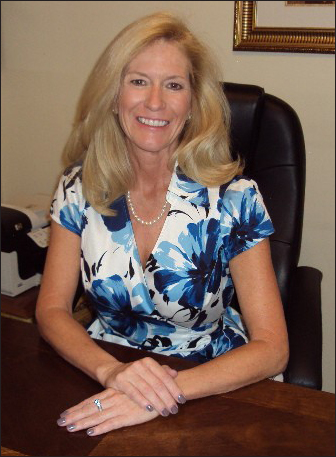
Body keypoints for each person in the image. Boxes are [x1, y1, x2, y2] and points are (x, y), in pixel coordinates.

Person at [35, 11, 289, 437]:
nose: (155, 102)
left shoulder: (234, 197)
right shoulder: (79, 187)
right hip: (108, 366)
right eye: (138, 81)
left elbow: (273, 349)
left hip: (206, 379)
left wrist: (160, 394)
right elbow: (51, 310)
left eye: (173, 85)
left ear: (193, 103)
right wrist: (113, 373)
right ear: (113, 95)